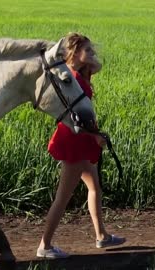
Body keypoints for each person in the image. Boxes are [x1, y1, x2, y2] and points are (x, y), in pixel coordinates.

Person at [36, 32, 126, 258]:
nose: (93, 53)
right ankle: (44, 246)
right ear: (74, 52)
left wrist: (89, 56)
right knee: (63, 197)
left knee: (94, 187)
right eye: (88, 50)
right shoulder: (72, 77)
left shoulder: (80, 72)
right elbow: (75, 118)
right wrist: (95, 136)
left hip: (82, 138)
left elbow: (98, 66)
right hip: (75, 140)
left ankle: (102, 236)